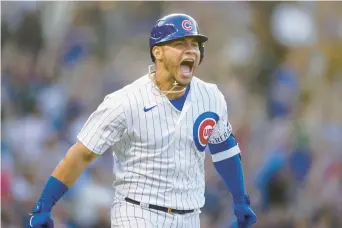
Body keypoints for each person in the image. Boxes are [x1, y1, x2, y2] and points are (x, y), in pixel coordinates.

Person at [27, 13, 257, 228]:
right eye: (180, 45)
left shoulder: (211, 96)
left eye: (194, 45)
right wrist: (45, 205)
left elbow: (225, 150)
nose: (191, 51)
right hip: (137, 213)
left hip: (190, 216)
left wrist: (240, 200)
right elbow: (81, 154)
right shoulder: (124, 101)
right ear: (158, 52)